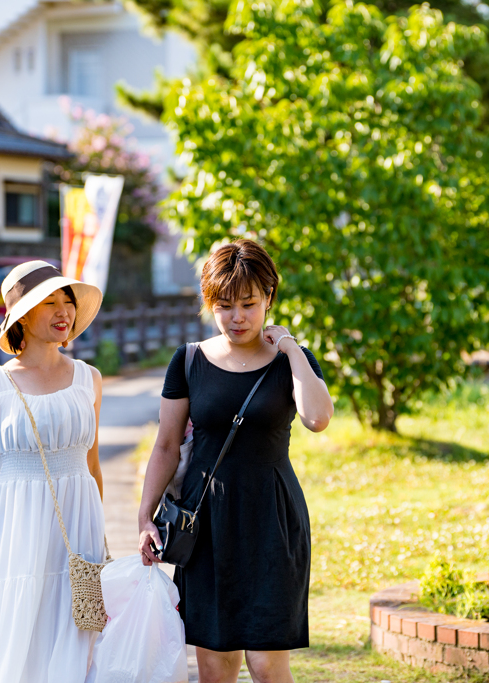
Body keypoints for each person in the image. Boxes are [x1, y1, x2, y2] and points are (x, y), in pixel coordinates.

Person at [138, 239, 334, 683]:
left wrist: (290, 348)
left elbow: (318, 418)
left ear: (269, 298)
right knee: (215, 665)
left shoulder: (292, 362)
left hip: (273, 518)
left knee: (266, 665)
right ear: (210, 305)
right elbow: (167, 445)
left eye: (248, 303)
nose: (237, 317)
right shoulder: (189, 360)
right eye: (224, 305)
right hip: (206, 524)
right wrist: (144, 517)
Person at [0, 260, 107, 682]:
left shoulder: (90, 378)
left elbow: (92, 463)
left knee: (74, 633)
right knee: (15, 628)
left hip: (77, 527)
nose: (62, 311)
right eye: (48, 302)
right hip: (17, 526)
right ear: (22, 317)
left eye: (66, 301)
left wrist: (101, 544)